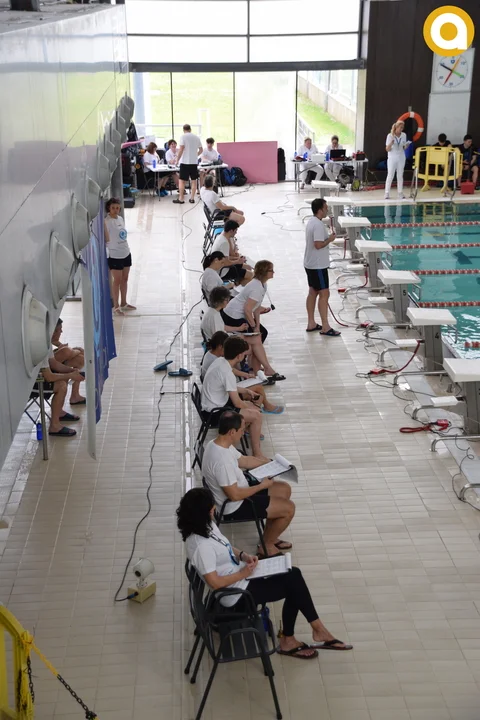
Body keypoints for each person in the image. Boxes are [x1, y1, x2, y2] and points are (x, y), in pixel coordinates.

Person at [177, 487, 353, 658]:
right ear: (203, 513)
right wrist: (243, 573)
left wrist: (244, 556)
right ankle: (302, 635)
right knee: (293, 582)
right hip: (236, 595)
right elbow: (214, 583)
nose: (214, 509)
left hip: (241, 578)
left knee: (292, 574)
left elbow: (226, 546)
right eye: (211, 508)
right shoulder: (201, 546)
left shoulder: (205, 526)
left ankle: (308, 633)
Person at [203, 412, 292, 556]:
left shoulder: (219, 443)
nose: (243, 432)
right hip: (234, 506)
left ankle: (268, 537)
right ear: (232, 432)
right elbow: (234, 495)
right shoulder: (222, 461)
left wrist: (270, 463)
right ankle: (266, 547)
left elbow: (244, 461)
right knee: (288, 509)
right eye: (242, 430)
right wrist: (261, 486)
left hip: (241, 492)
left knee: (284, 489)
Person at [201, 336, 265, 459]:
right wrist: (254, 409)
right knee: (257, 416)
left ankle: (244, 429)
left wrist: (246, 391)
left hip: (211, 406)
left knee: (252, 407)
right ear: (239, 356)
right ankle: (257, 454)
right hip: (214, 413)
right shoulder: (226, 372)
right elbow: (238, 403)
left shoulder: (221, 361)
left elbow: (230, 386)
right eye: (244, 354)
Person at [222, 261, 284, 380]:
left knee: (262, 333)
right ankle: (264, 368)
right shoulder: (256, 288)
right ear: (264, 272)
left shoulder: (262, 284)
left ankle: (256, 367)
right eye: (271, 270)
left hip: (241, 314)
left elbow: (256, 308)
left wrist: (257, 326)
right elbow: (247, 309)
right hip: (233, 316)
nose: (273, 272)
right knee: (256, 338)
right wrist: (253, 326)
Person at [304, 198, 340, 337]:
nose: (327, 210)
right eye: (326, 208)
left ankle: (311, 323)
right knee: (324, 294)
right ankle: (325, 327)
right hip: (318, 265)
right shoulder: (318, 225)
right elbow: (318, 245)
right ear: (320, 210)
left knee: (313, 292)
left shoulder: (312, 221)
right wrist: (330, 239)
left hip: (310, 263)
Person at [39, 347, 86, 437]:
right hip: (30, 383)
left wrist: (71, 370)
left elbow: (54, 363)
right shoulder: (39, 350)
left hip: (40, 375)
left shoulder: (45, 343)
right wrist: (70, 375)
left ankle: (59, 413)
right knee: (61, 385)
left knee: (63, 377)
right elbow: (49, 377)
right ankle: (54, 426)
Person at [104, 198, 136, 315]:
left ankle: (124, 303)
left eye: (117, 208)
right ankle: (116, 306)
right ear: (109, 208)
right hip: (115, 255)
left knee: (125, 278)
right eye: (113, 208)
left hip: (126, 252)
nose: (115, 210)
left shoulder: (121, 219)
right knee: (116, 280)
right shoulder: (106, 222)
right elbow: (106, 239)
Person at [51, 319, 85, 405]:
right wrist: (77, 350)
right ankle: (74, 396)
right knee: (70, 353)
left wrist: (59, 344)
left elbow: (65, 351)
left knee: (80, 359)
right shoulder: (42, 341)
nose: (61, 332)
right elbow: (66, 352)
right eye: (59, 329)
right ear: (53, 331)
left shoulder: (49, 340)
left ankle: (75, 395)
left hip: (52, 364)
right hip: (46, 370)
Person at [211, 219, 253, 285]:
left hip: (221, 266)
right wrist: (237, 261)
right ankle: (239, 288)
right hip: (223, 271)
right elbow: (226, 263)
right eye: (235, 230)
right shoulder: (224, 243)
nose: (236, 233)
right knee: (251, 275)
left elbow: (225, 257)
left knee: (248, 267)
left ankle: (238, 284)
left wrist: (237, 259)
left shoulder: (221, 236)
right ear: (231, 231)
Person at [173, 124, 203, 204]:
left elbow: (181, 149)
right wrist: (195, 155)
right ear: (190, 129)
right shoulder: (196, 137)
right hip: (194, 163)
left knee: (182, 181)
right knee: (194, 181)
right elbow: (201, 150)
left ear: (184, 130)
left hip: (184, 162)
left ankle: (181, 198)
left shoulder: (183, 137)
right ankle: (192, 198)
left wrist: (177, 160)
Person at [385, 120, 411, 199]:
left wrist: (406, 146)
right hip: (392, 157)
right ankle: (387, 193)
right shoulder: (390, 135)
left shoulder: (404, 135)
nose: (401, 129)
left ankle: (400, 192)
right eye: (400, 127)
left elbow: (403, 147)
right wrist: (391, 143)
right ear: (396, 127)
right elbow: (387, 149)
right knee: (390, 175)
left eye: (402, 128)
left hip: (401, 157)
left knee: (400, 175)